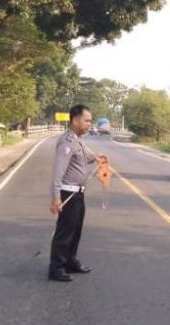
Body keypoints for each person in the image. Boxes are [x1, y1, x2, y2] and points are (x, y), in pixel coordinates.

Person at [49, 104, 108, 282]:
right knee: (65, 232)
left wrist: (96, 157)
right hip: (68, 194)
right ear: (75, 120)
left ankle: (70, 261)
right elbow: (58, 172)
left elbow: (81, 159)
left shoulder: (77, 140)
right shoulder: (67, 142)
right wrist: (56, 197)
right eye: (87, 120)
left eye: (90, 120)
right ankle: (57, 267)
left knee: (75, 231)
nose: (90, 124)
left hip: (78, 194)